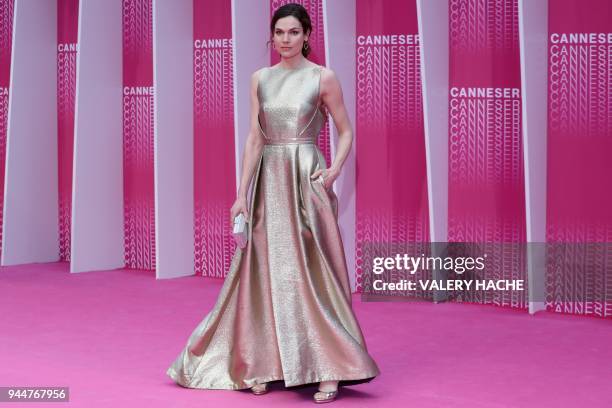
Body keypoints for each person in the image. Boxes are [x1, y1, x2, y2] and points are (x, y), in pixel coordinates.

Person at [166, 3, 380, 403]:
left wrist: (332, 170)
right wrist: (241, 195)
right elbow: (254, 138)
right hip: (268, 179)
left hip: (305, 176)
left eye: (293, 33)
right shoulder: (260, 79)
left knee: (312, 271)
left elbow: (346, 131)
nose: (285, 40)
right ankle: (260, 361)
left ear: (307, 35)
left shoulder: (322, 77)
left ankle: (329, 365)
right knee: (264, 268)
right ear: (272, 36)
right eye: (279, 33)